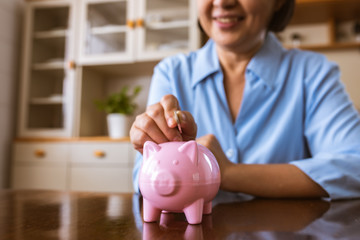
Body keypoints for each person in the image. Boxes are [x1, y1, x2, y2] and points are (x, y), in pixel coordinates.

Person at [130, 0, 360, 200]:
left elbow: (354, 167)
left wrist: (228, 173)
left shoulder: (313, 72)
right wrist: (154, 144)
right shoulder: (171, 72)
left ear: (278, 1)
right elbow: (144, 179)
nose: (223, 2)